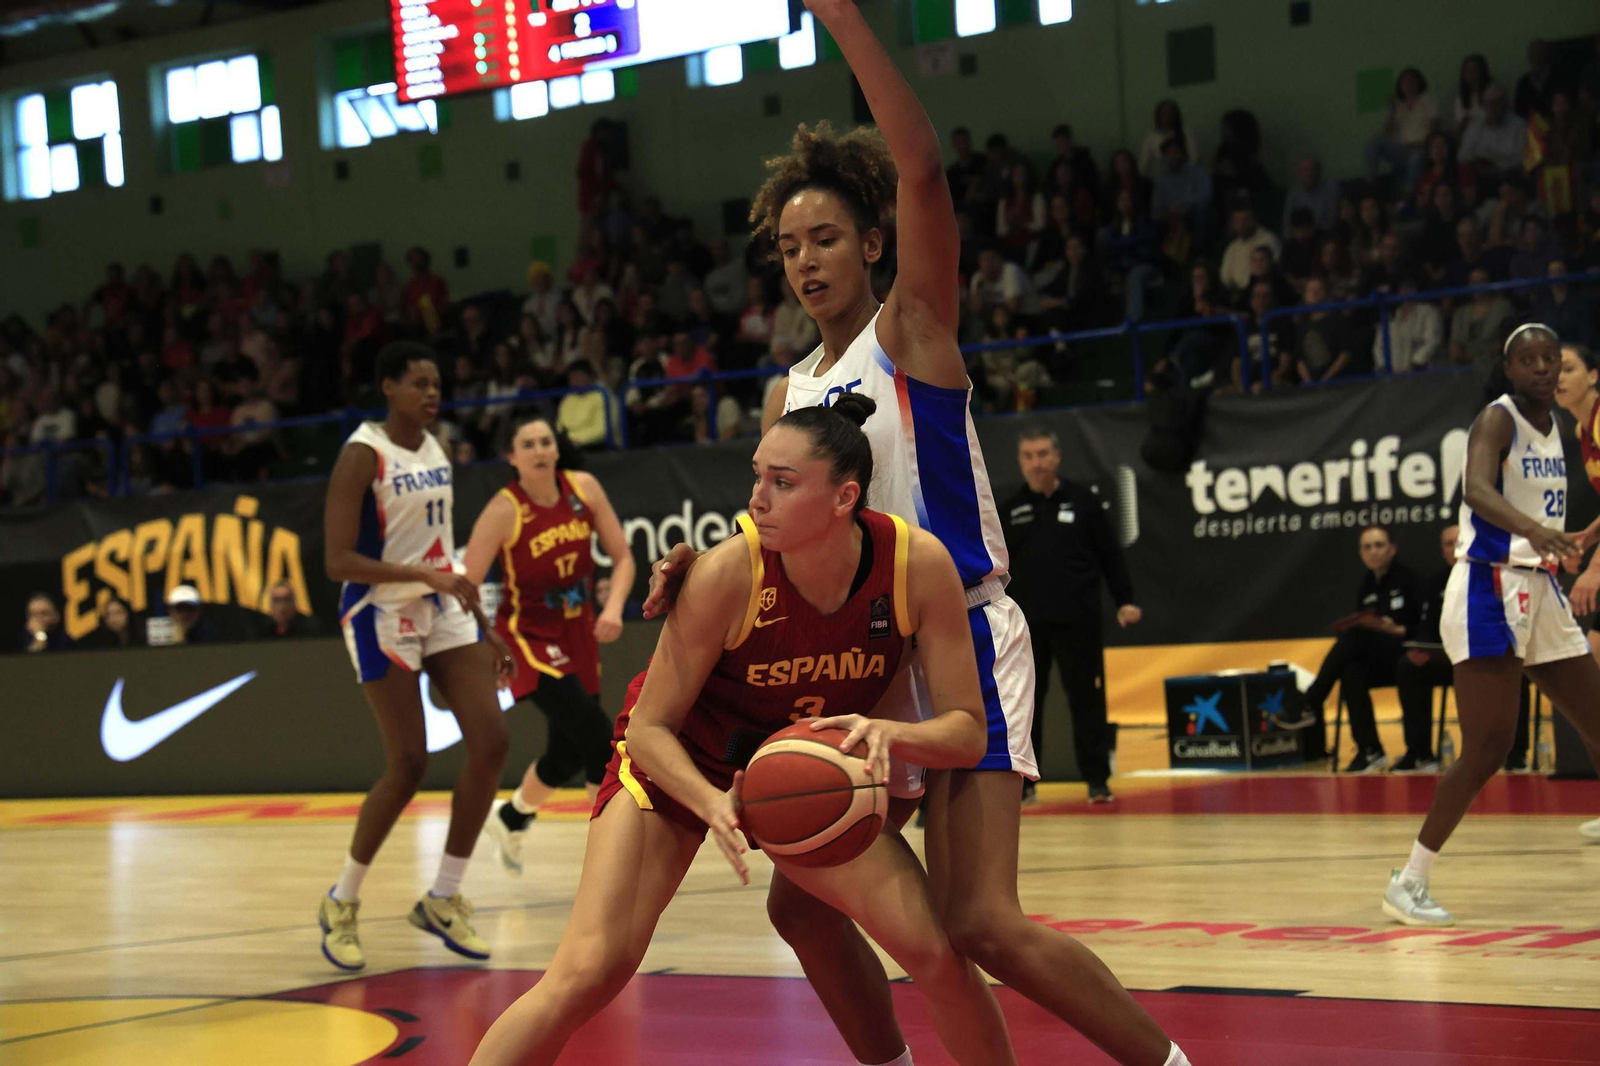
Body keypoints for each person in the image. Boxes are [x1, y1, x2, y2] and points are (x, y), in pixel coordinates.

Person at [645, 3, 1187, 1064]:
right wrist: (703, 556)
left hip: (970, 638)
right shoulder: (787, 390)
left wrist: (844, 24)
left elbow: (925, 170)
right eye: (788, 247)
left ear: (873, 243)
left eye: (827, 238)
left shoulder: (911, 332)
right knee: (802, 909)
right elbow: (774, 525)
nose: (804, 261)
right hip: (872, 665)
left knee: (981, 920)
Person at [470, 396, 1018, 1066]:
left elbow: (966, 731)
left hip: (799, 773)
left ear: (845, 496)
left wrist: (888, 734)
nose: (757, 499)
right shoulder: (728, 571)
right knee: (592, 969)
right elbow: (648, 731)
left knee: (936, 954)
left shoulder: (914, 566)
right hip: (680, 765)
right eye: (757, 475)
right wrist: (712, 804)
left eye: (782, 484)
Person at [1383, 325, 1600, 925]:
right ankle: (1409, 880)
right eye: (1527, 360)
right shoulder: (1496, 420)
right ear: (1509, 369)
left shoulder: (1561, 427)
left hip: (1542, 585)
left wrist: (1575, 535)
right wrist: (1533, 531)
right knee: (1489, 745)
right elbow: (1476, 488)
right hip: (1489, 586)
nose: (1540, 368)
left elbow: (1547, 513)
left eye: (1549, 358)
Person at [317, 341, 514, 971]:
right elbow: (337, 562)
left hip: (441, 599)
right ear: (388, 387)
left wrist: (483, 621)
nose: (432, 393)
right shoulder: (361, 456)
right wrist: (422, 577)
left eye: (436, 383)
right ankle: (342, 901)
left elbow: (440, 543)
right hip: (380, 610)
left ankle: (444, 896)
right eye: (418, 383)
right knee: (407, 764)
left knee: (491, 740)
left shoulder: (437, 445)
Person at [461, 412, 633, 874]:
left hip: (577, 631)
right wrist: (487, 643)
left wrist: (614, 608)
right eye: (528, 444)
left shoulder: (584, 490)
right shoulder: (504, 509)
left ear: (556, 448)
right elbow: (467, 584)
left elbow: (622, 557)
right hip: (526, 639)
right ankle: (608, 859)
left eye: (545, 441)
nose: (539, 450)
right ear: (511, 457)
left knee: (569, 749)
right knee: (599, 736)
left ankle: (513, 816)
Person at [1001, 428, 1138, 805]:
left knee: (1086, 699)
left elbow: (1111, 554)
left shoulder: (1083, 502)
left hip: (1079, 619)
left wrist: (1125, 599)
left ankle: (1097, 780)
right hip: (1027, 627)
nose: (1037, 463)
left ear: (1057, 457)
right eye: (1028, 455)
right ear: (1020, 461)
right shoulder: (1010, 509)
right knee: (1027, 703)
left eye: (1043, 454)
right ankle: (1026, 783)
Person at [1298, 525, 1426, 773]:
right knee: (1351, 670)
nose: (1373, 552)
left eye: (1379, 545)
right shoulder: (1367, 586)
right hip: (1381, 657)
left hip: (1409, 654)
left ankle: (1311, 701)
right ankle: (1370, 750)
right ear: (1360, 553)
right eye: (1367, 547)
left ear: (1392, 549)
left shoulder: (1411, 580)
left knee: (1353, 637)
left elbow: (1427, 626)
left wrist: (1398, 629)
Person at [1390, 525, 1459, 772]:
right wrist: (1421, 647)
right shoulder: (1436, 582)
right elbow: (1427, 625)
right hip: (1445, 658)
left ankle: (1512, 753)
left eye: (1459, 541)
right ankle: (1419, 753)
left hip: (1479, 659)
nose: (1455, 548)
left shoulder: (1489, 576)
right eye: (1449, 544)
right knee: (1409, 667)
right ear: (1443, 551)